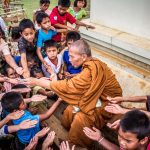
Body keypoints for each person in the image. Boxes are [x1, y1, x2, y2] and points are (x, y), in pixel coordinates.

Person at [24, 39, 122, 147]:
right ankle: (68, 129)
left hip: (109, 102)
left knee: (81, 117)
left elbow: (70, 86)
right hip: (97, 97)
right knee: (71, 109)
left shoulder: (94, 67)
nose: (69, 60)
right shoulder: (91, 63)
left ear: (83, 56)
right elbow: (83, 81)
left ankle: (76, 143)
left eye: (72, 57)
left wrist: (38, 82)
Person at [83, 109, 150, 150]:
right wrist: (99, 138)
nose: (121, 142)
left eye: (128, 141)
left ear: (143, 140)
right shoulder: (131, 143)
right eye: (119, 136)